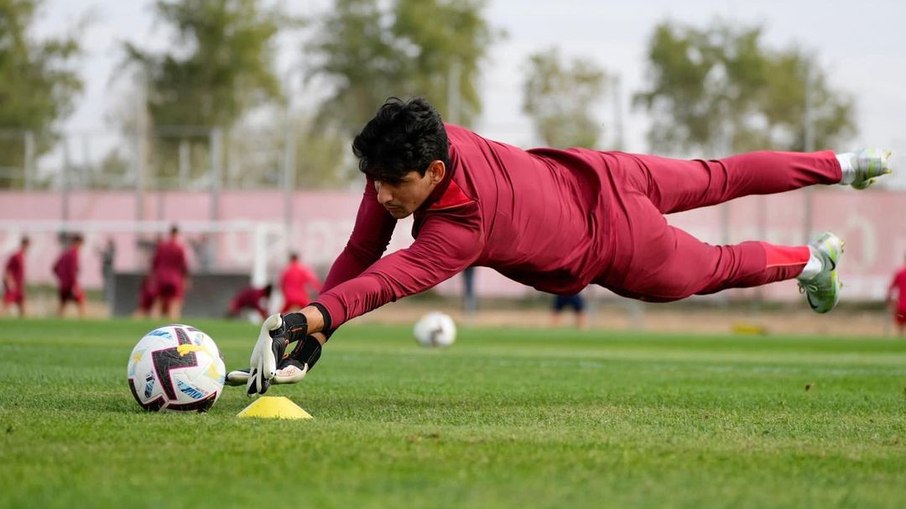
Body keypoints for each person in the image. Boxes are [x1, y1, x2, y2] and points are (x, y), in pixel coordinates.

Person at [229, 96, 893, 394]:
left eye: (390, 184)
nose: (378, 197)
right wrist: (319, 326)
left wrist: (312, 316)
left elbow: (384, 278)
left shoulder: (459, 229)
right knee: (718, 174)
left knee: (714, 270)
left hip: (619, 244)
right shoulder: (435, 137)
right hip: (600, 170)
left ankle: (812, 259)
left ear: (433, 172)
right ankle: (846, 161)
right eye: (369, 180)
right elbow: (360, 249)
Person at [151, 225, 189, 320]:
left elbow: (155, 262)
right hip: (175, 278)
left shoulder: (162, 246)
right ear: (177, 234)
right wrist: (186, 279)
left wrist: (153, 276)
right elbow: (184, 265)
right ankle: (174, 323)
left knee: (159, 300)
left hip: (162, 277)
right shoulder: (179, 248)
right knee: (175, 302)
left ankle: (153, 322)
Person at [53, 233, 85, 318]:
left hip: (63, 284)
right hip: (71, 284)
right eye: (81, 244)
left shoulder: (64, 253)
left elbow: (54, 268)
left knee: (62, 305)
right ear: (77, 242)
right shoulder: (74, 253)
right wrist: (75, 284)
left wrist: (61, 277)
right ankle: (83, 323)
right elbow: (72, 271)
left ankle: (57, 323)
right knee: (81, 301)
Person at [2, 236, 30, 317]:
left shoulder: (22, 256)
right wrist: (9, 282)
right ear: (24, 244)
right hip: (13, 285)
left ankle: (25, 326)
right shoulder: (16, 256)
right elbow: (8, 269)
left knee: (23, 304)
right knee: (6, 304)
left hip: (19, 286)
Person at [887, 257, 906, 336]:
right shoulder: (899, 273)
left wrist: (890, 302)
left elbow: (890, 289)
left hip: (901, 306)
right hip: (901, 305)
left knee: (900, 330)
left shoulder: (900, 273)